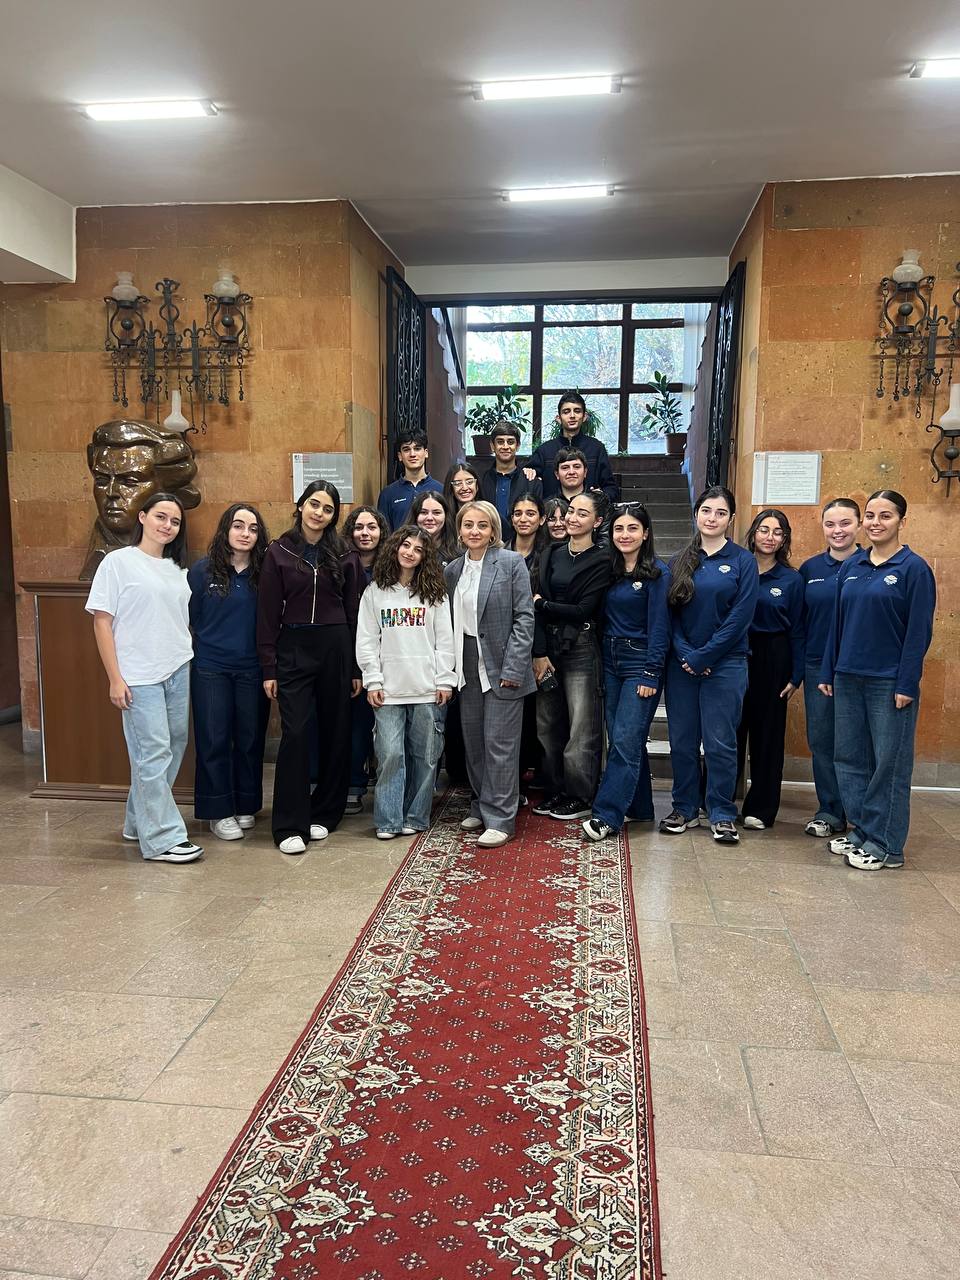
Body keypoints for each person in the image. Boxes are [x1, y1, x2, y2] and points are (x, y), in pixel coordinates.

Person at [819, 490, 936, 871]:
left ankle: (887, 844)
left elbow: (918, 633)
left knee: (890, 765)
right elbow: (837, 625)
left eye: (885, 516)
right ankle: (863, 830)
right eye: (870, 515)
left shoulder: (914, 569)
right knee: (850, 758)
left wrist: (907, 683)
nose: (875, 522)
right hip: (847, 676)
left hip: (888, 682)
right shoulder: (853, 566)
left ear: (902, 521)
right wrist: (828, 671)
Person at [86, 492, 201, 864]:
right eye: (161, 517)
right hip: (138, 675)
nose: (167, 525)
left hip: (177, 668)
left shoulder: (176, 570)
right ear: (143, 517)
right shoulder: (118, 563)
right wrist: (114, 678)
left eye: (175, 521)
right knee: (152, 753)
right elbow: (102, 622)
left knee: (173, 747)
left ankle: (138, 821)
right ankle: (163, 839)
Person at [257, 481, 363, 855]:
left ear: (334, 516)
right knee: (296, 733)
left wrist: (356, 667)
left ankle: (326, 812)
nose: (319, 513)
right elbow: (267, 612)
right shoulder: (278, 551)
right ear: (301, 505)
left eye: (328, 508)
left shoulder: (345, 553)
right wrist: (269, 666)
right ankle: (289, 823)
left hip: (336, 646)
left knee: (336, 730)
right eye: (314, 504)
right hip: (294, 647)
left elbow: (354, 612)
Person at [661, 485, 759, 844]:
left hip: (726, 665)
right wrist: (687, 654)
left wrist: (705, 656)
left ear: (731, 519)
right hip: (682, 667)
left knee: (720, 743)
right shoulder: (678, 561)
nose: (712, 518)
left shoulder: (743, 562)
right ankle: (685, 808)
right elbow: (668, 615)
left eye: (720, 512)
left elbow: (740, 618)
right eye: (706, 511)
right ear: (696, 514)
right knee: (682, 742)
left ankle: (720, 811)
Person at [445, 501, 535, 847]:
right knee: (474, 743)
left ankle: (500, 818)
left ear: (494, 530)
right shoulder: (453, 570)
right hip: (466, 661)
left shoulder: (511, 563)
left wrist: (514, 667)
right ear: (459, 529)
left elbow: (524, 618)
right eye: (468, 524)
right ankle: (481, 805)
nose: (475, 531)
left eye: (482, 525)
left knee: (500, 744)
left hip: (502, 661)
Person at [356, 526, 456, 839]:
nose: (410, 552)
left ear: (425, 557)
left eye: (418, 549)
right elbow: (367, 640)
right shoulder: (375, 592)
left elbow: (445, 640)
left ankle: (416, 816)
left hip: (427, 688)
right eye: (405, 545)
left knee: (425, 756)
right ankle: (388, 820)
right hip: (388, 690)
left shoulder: (435, 594)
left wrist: (445, 679)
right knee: (390, 755)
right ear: (395, 548)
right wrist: (373, 680)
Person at [583, 504, 670, 841]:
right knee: (622, 739)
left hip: (639, 662)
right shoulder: (609, 570)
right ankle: (640, 806)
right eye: (619, 529)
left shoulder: (657, 573)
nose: (625, 535)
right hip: (610, 659)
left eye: (633, 528)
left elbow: (660, 627)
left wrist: (651, 672)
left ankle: (606, 815)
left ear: (645, 534)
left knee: (625, 740)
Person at [188, 503, 271, 841]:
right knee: (214, 739)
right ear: (226, 529)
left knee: (250, 739)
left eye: (252, 529)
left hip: (252, 668)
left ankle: (245, 803)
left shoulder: (265, 573)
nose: (245, 533)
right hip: (211, 668)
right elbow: (190, 616)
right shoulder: (202, 571)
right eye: (238, 526)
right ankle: (218, 811)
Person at [531, 490, 613, 821]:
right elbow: (534, 608)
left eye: (582, 513)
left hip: (581, 646)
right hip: (548, 647)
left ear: (598, 521)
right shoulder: (551, 553)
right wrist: (538, 652)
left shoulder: (604, 559)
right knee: (547, 723)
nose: (572, 518)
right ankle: (554, 789)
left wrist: (544, 604)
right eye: (571, 511)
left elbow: (583, 610)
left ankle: (579, 795)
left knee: (582, 725)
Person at [735, 508, 804, 830]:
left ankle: (760, 809)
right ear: (753, 533)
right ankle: (718, 801)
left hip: (774, 657)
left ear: (784, 539)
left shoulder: (792, 579)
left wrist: (796, 674)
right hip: (735, 653)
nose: (770, 537)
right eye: (764, 530)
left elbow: (799, 629)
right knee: (729, 731)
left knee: (768, 736)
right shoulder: (738, 568)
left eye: (777, 532)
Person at [798, 498, 862, 838]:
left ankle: (861, 816)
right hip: (815, 666)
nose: (838, 531)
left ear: (859, 525)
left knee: (857, 743)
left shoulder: (871, 565)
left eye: (845, 523)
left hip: (857, 669)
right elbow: (800, 623)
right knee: (822, 741)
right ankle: (830, 811)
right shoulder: (810, 570)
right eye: (830, 524)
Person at [81, 418, 201, 579]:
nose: (111, 492)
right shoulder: (109, 562)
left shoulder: (172, 560)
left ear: (164, 489)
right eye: (102, 481)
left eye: (129, 482)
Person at [342, 505, 389, 815]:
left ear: (381, 532)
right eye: (359, 527)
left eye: (372, 527)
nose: (365, 533)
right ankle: (353, 785)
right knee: (355, 726)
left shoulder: (391, 568)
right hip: (349, 657)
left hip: (388, 657)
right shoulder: (340, 565)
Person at [509, 491, 549, 795]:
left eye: (531, 513)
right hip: (504, 646)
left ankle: (538, 775)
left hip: (539, 645)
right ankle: (512, 780)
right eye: (518, 513)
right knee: (511, 718)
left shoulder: (549, 555)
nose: (524, 519)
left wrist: (539, 652)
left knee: (539, 716)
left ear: (542, 519)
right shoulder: (498, 551)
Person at [528, 392, 618, 501]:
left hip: (587, 509)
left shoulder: (596, 448)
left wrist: (600, 498)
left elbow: (611, 488)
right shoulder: (544, 451)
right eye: (566, 412)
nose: (572, 416)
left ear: (584, 416)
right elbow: (528, 479)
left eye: (577, 411)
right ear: (558, 418)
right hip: (552, 509)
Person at [479, 421, 542, 530]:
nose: (505, 446)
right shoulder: (481, 481)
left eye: (510, 442)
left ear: (517, 446)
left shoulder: (532, 482)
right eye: (500, 442)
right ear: (492, 446)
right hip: (488, 538)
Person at [377, 430, 443, 530]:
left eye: (417, 449)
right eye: (406, 449)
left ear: (426, 453)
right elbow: (384, 533)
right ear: (400, 456)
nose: (412, 454)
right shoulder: (388, 494)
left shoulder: (441, 490)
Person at [410, 490, 458, 565]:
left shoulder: (458, 556)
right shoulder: (402, 551)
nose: (430, 518)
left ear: (446, 516)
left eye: (436, 513)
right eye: (423, 512)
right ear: (415, 515)